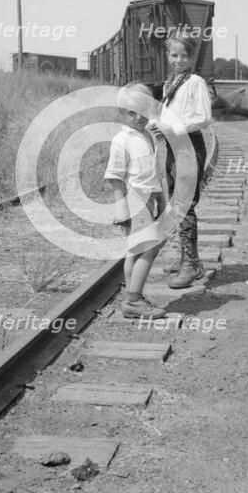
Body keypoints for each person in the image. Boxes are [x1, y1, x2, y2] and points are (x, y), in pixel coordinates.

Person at [150, 35, 213, 289]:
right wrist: (157, 125)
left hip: (188, 147)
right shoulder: (171, 84)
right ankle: (189, 259)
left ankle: (191, 265)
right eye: (174, 55)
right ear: (168, 56)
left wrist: (171, 129)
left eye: (184, 56)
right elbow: (167, 116)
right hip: (174, 147)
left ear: (191, 57)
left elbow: (203, 118)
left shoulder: (195, 82)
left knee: (185, 205)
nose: (179, 60)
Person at [104, 83, 167, 319]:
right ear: (121, 113)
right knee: (148, 248)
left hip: (147, 199)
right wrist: (121, 206)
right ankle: (134, 300)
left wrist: (159, 197)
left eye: (143, 110)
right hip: (133, 199)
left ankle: (131, 298)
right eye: (132, 112)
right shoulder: (122, 140)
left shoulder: (147, 135)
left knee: (134, 251)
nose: (139, 117)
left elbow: (152, 171)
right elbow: (114, 177)